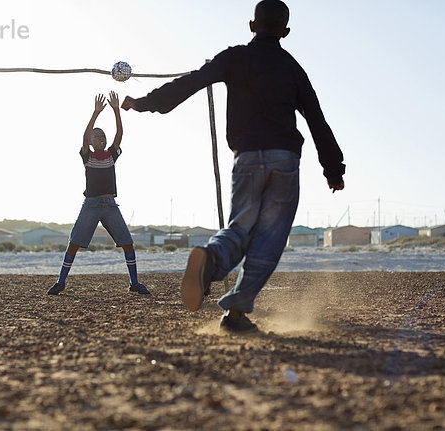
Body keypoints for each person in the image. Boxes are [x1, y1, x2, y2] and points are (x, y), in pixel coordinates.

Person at [122, 0, 344, 332]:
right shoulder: (292, 68)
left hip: (247, 159)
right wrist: (333, 167)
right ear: (285, 32)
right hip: (284, 161)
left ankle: (211, 260)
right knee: (269, 238)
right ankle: (237, 312)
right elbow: (316, 119)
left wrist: (144, 103)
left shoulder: (234, 57)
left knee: (239, 229)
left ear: (251, 26)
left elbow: (191, 83)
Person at [47, 91, 150, 296]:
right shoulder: (87, 156)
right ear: (91, 141)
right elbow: (85, 137)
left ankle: (134, 283)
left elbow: (119, 135)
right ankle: (60, 282)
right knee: (74, 243)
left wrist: (115, 111)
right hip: (91, 205)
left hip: (110, 205)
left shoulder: (111, 155)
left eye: (102, 135)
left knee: (128, 243)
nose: (100, 138)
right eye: (97, 136)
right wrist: (95, 114)